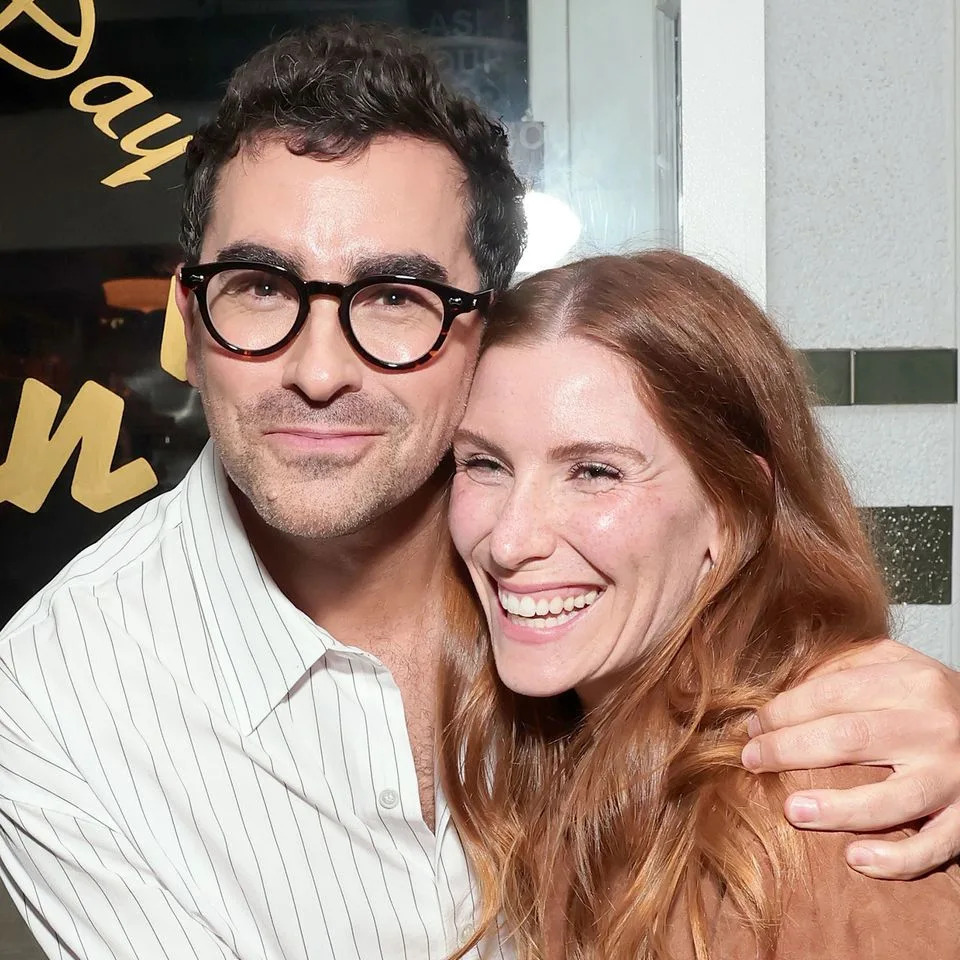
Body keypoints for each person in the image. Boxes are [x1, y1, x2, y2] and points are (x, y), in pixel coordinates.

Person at [0, 22, 958, 960]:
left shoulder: (608, 618)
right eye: (259, 286)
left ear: (482, 331)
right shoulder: (55, 700)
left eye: (394, 297)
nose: (321, 370)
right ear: (190, 317)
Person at [442, 250, 960, 959]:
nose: (510, 540)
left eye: (595, 471)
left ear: (730, 508)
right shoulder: (578, 749)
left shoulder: (808, 813)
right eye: (484, 464)